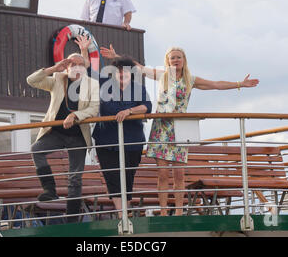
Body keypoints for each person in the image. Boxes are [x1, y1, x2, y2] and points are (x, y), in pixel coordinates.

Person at [100, 44, 259, 216]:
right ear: (167, 61)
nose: (175, 60)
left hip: (180, 128)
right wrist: (117, 56)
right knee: (162, 173)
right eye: (172, 57)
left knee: (179, 174)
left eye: (178, 57)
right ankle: (162, 211)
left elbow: (215, 84)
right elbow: (138, 67)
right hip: (161, 127)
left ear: (184, 60)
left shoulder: (190, 79)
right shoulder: (163, 75)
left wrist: (239, 84)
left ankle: (178, 211)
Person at [75, 36, 152, 218]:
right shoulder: (104, 84)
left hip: (132, 141)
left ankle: (125, 212)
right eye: (117, 71)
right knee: (112, 178)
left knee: (127, 177)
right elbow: (87, 68)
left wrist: (130, 111)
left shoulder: (138, 87)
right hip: (106, 140)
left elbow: (146, 106)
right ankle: (122, 214)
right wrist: (84, 49)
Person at [27, 52, 99, 222]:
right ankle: (49, 190)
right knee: (36, 150)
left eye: (80, 64)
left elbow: (94, 109)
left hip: (78, 136)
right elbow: (31, 80)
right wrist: (53, 68)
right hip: (56, 133)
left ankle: (72, 218)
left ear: (85, 67)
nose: (76, 67)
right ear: (66, 67)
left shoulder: (92, 84)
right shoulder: (58, 79)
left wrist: (75, 116)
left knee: (75, 177)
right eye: (72, 64)